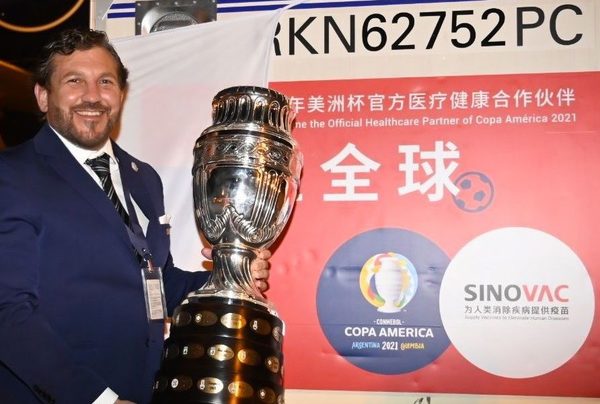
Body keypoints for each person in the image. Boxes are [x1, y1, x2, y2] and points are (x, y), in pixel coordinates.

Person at [0, 28, 270, 404]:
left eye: (105, 81)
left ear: (121, 95)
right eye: (74, 81)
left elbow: (156, 281)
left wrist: (229, 275)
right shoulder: (12, 175)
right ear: (43, 97)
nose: (92, 96)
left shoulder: (143, 178)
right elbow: (8, 314)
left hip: (145, 389)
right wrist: (98, 399)